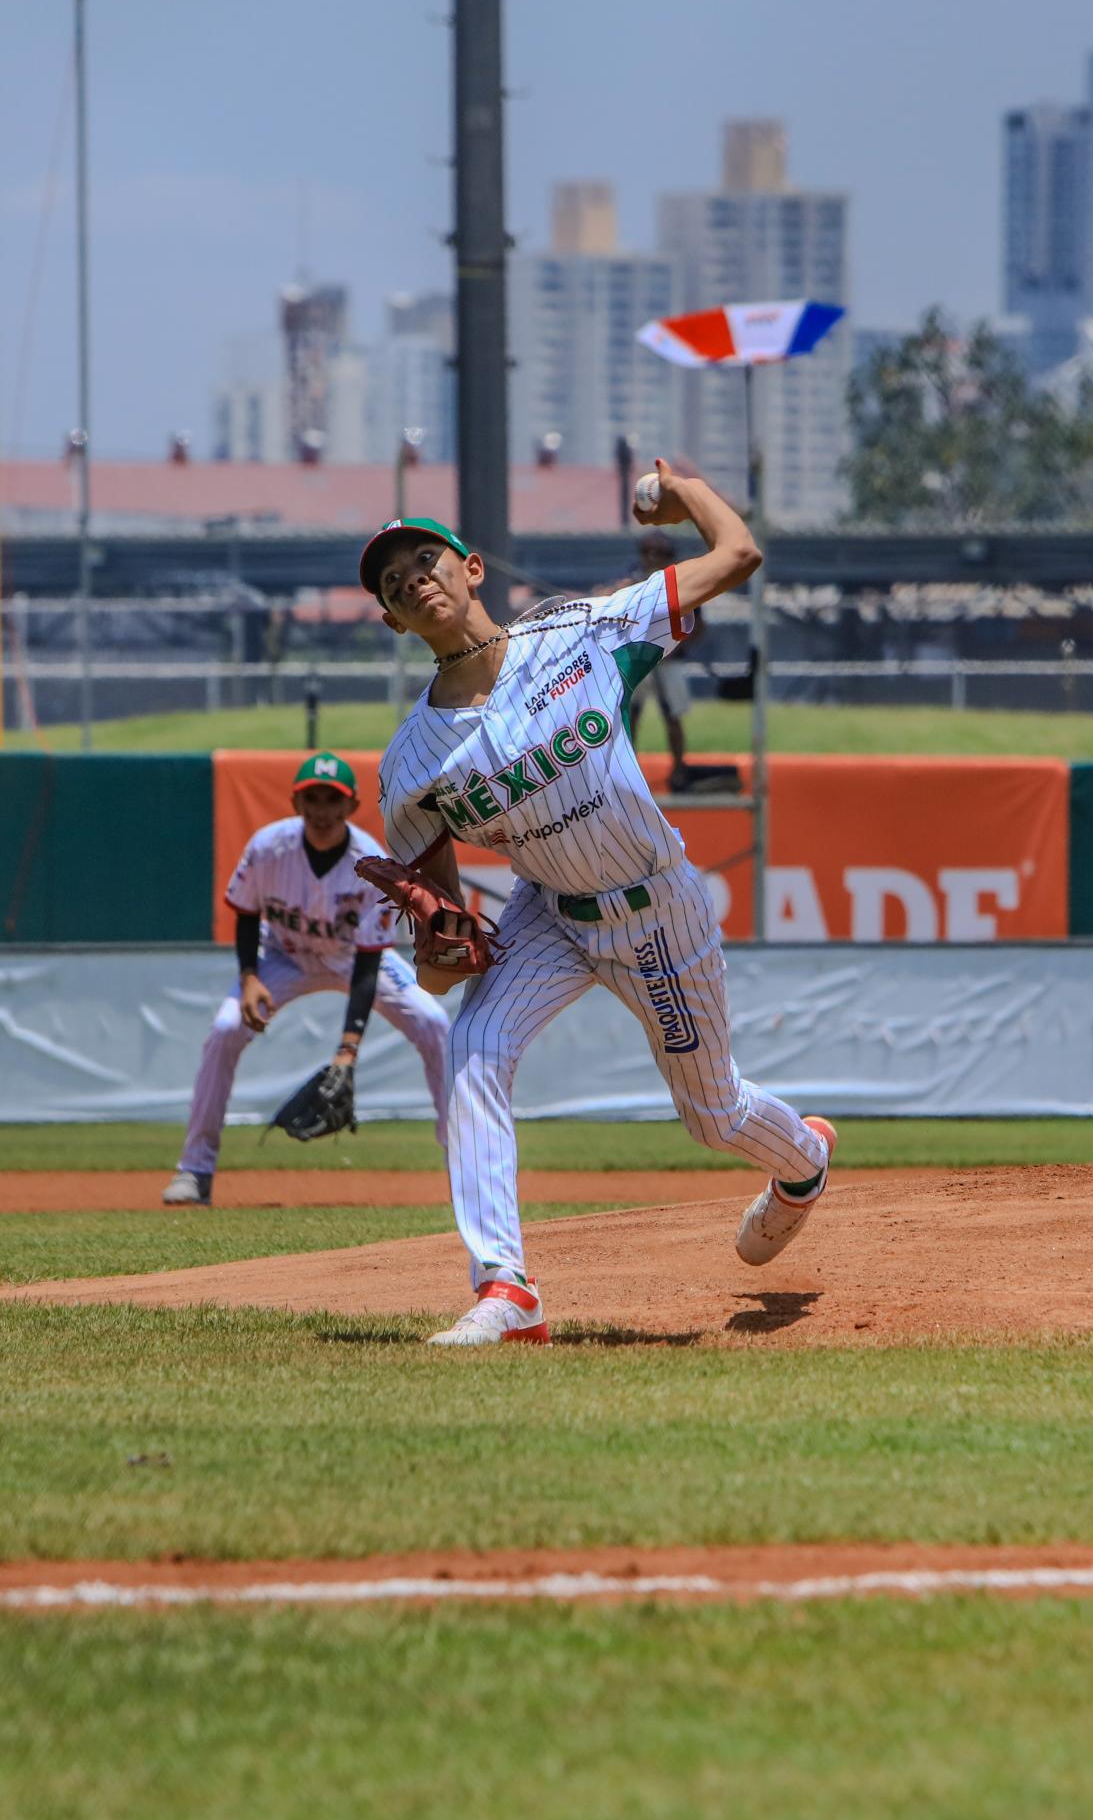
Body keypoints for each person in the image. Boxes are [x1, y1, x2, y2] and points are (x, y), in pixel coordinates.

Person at [359, 468, 835, 1346]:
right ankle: (507, 1290)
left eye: (424, 560)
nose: (411, 580)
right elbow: (445, 950)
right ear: (393, 621)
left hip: (656, 912)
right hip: (551, 915)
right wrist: (440, 940)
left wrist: (685, 489)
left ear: (471, 570)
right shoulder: (411, 764)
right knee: (472, 1046)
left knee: (713, 1115)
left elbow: (738, 555)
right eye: (392, 585)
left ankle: (802, 1162)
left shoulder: (584, 632)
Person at [162, 752, 449, 1206]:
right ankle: (195, 1171)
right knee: (225, 1030)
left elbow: (368, 964)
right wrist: (250, 977)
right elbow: (246, 912)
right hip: (283, 956)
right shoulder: (267, 848)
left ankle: (460, 1163)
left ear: (351, 806)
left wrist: (348, 1047)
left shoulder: (368, 861)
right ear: (296, 803)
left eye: (332, 799)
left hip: (353, 959)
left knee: (434, 1023)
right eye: (311, 798)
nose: (321, 809)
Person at [624, 526, 699, 790]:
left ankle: (679, 768)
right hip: (640, 660)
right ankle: (628, 771)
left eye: (661, 553)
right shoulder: (633, 584)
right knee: (630, 714)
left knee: (673, 715)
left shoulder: (679, 586)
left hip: (671, 660)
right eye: (648, 552)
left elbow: (698, 625)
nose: (653, 558)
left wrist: (676, 644)